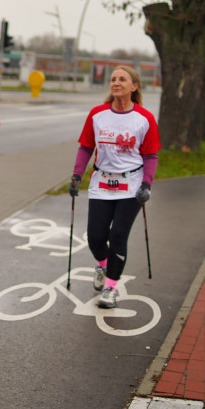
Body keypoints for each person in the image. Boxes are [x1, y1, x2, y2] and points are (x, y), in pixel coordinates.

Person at [69, 66, 160, 309]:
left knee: (118, 235)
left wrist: (146, 184)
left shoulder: (145, 118)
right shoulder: (97, 114)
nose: (116, 83)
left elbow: (151, 156)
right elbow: (86, 147)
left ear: (134, 86)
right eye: (113, 79)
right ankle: (102, 264)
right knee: (96, 237)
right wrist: (77, 175)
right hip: (101, 182)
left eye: (122, 79)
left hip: (130, 185)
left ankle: (110, 287)